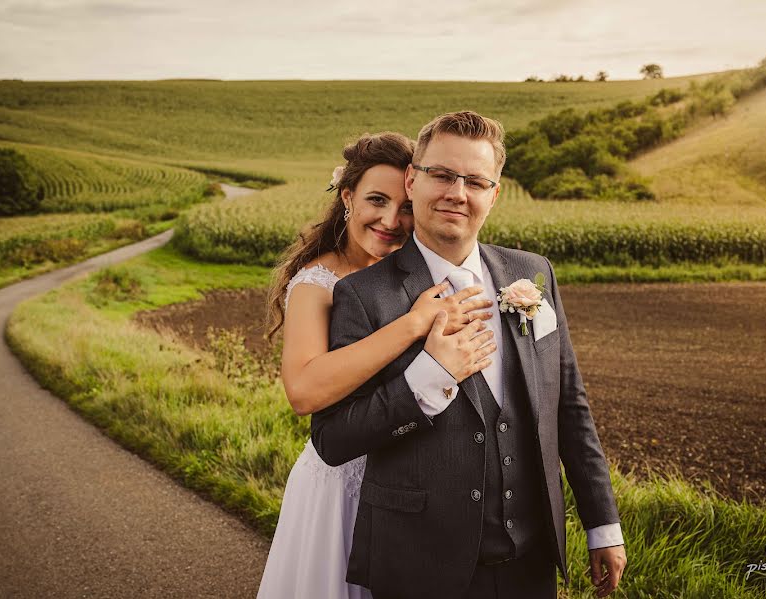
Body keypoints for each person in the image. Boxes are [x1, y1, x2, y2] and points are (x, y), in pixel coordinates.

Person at [311, 112, 627, 599]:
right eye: (442, 175)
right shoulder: (362, 295)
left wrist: (602, 524)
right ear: (413, 181)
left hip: (531, 562)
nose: (457, 193)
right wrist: (428, 378)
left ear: (494, 194)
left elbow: (569, 406)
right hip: (418, 567)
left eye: (475, 181)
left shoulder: (533, 273)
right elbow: (333, 439)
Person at [257, 131, 497, 599]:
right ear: (347, 197)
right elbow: (303, 392)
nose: (391, 220)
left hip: (413, 478)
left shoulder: (422, 274)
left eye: (404, 205)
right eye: (375, 200)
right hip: (344, 481)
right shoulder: (317, 283)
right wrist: (411, 326)